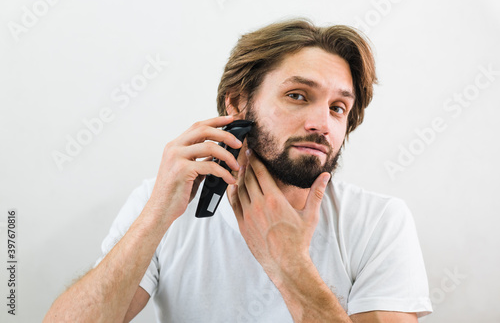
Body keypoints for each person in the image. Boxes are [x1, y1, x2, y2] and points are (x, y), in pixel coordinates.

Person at [44, 19, 432, 322]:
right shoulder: (159, 203)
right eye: (298, 96)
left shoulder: (378, 222)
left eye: (337, 108)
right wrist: (157, 216)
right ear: (237, 105)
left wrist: (288, 262)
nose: (322, 123)